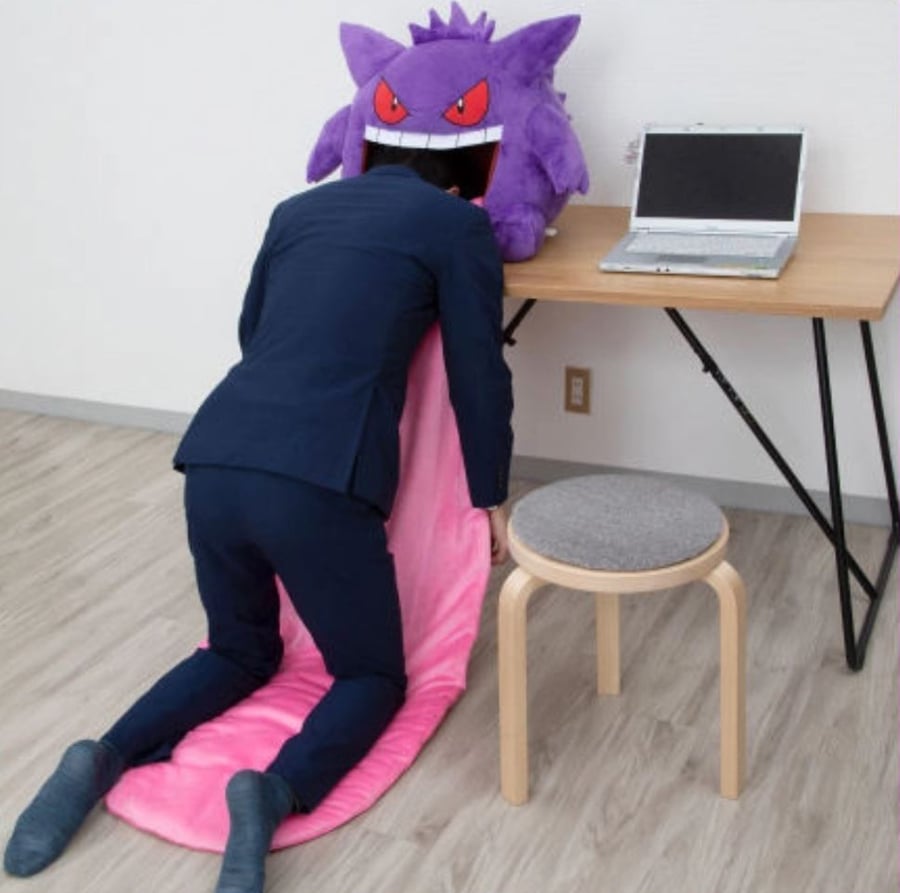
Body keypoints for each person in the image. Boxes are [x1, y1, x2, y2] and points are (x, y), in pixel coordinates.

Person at [3, 148, 514, 893]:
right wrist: (488, 494)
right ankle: (274, 790)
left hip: (216, 456)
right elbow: (477, 366)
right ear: (460, 187)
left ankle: (103, 753)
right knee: (372, 676)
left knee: (238, 651)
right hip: (319, 481)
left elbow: (254, 329)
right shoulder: (454, 223)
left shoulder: (297, 211)